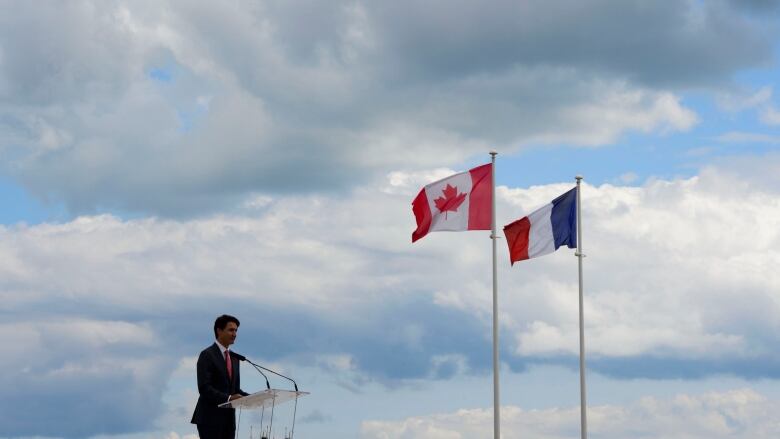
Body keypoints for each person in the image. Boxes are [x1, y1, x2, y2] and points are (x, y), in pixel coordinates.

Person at [191, 314, 250, 439]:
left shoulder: (234, 358)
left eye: (236, 330)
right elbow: (204, 388)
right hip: (210, 419)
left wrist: (254, 397)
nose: (234, 334)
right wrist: (228, 398)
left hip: (229, 420)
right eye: (231, 330)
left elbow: (234, 389)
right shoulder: (207, 355)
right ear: (219, 330)